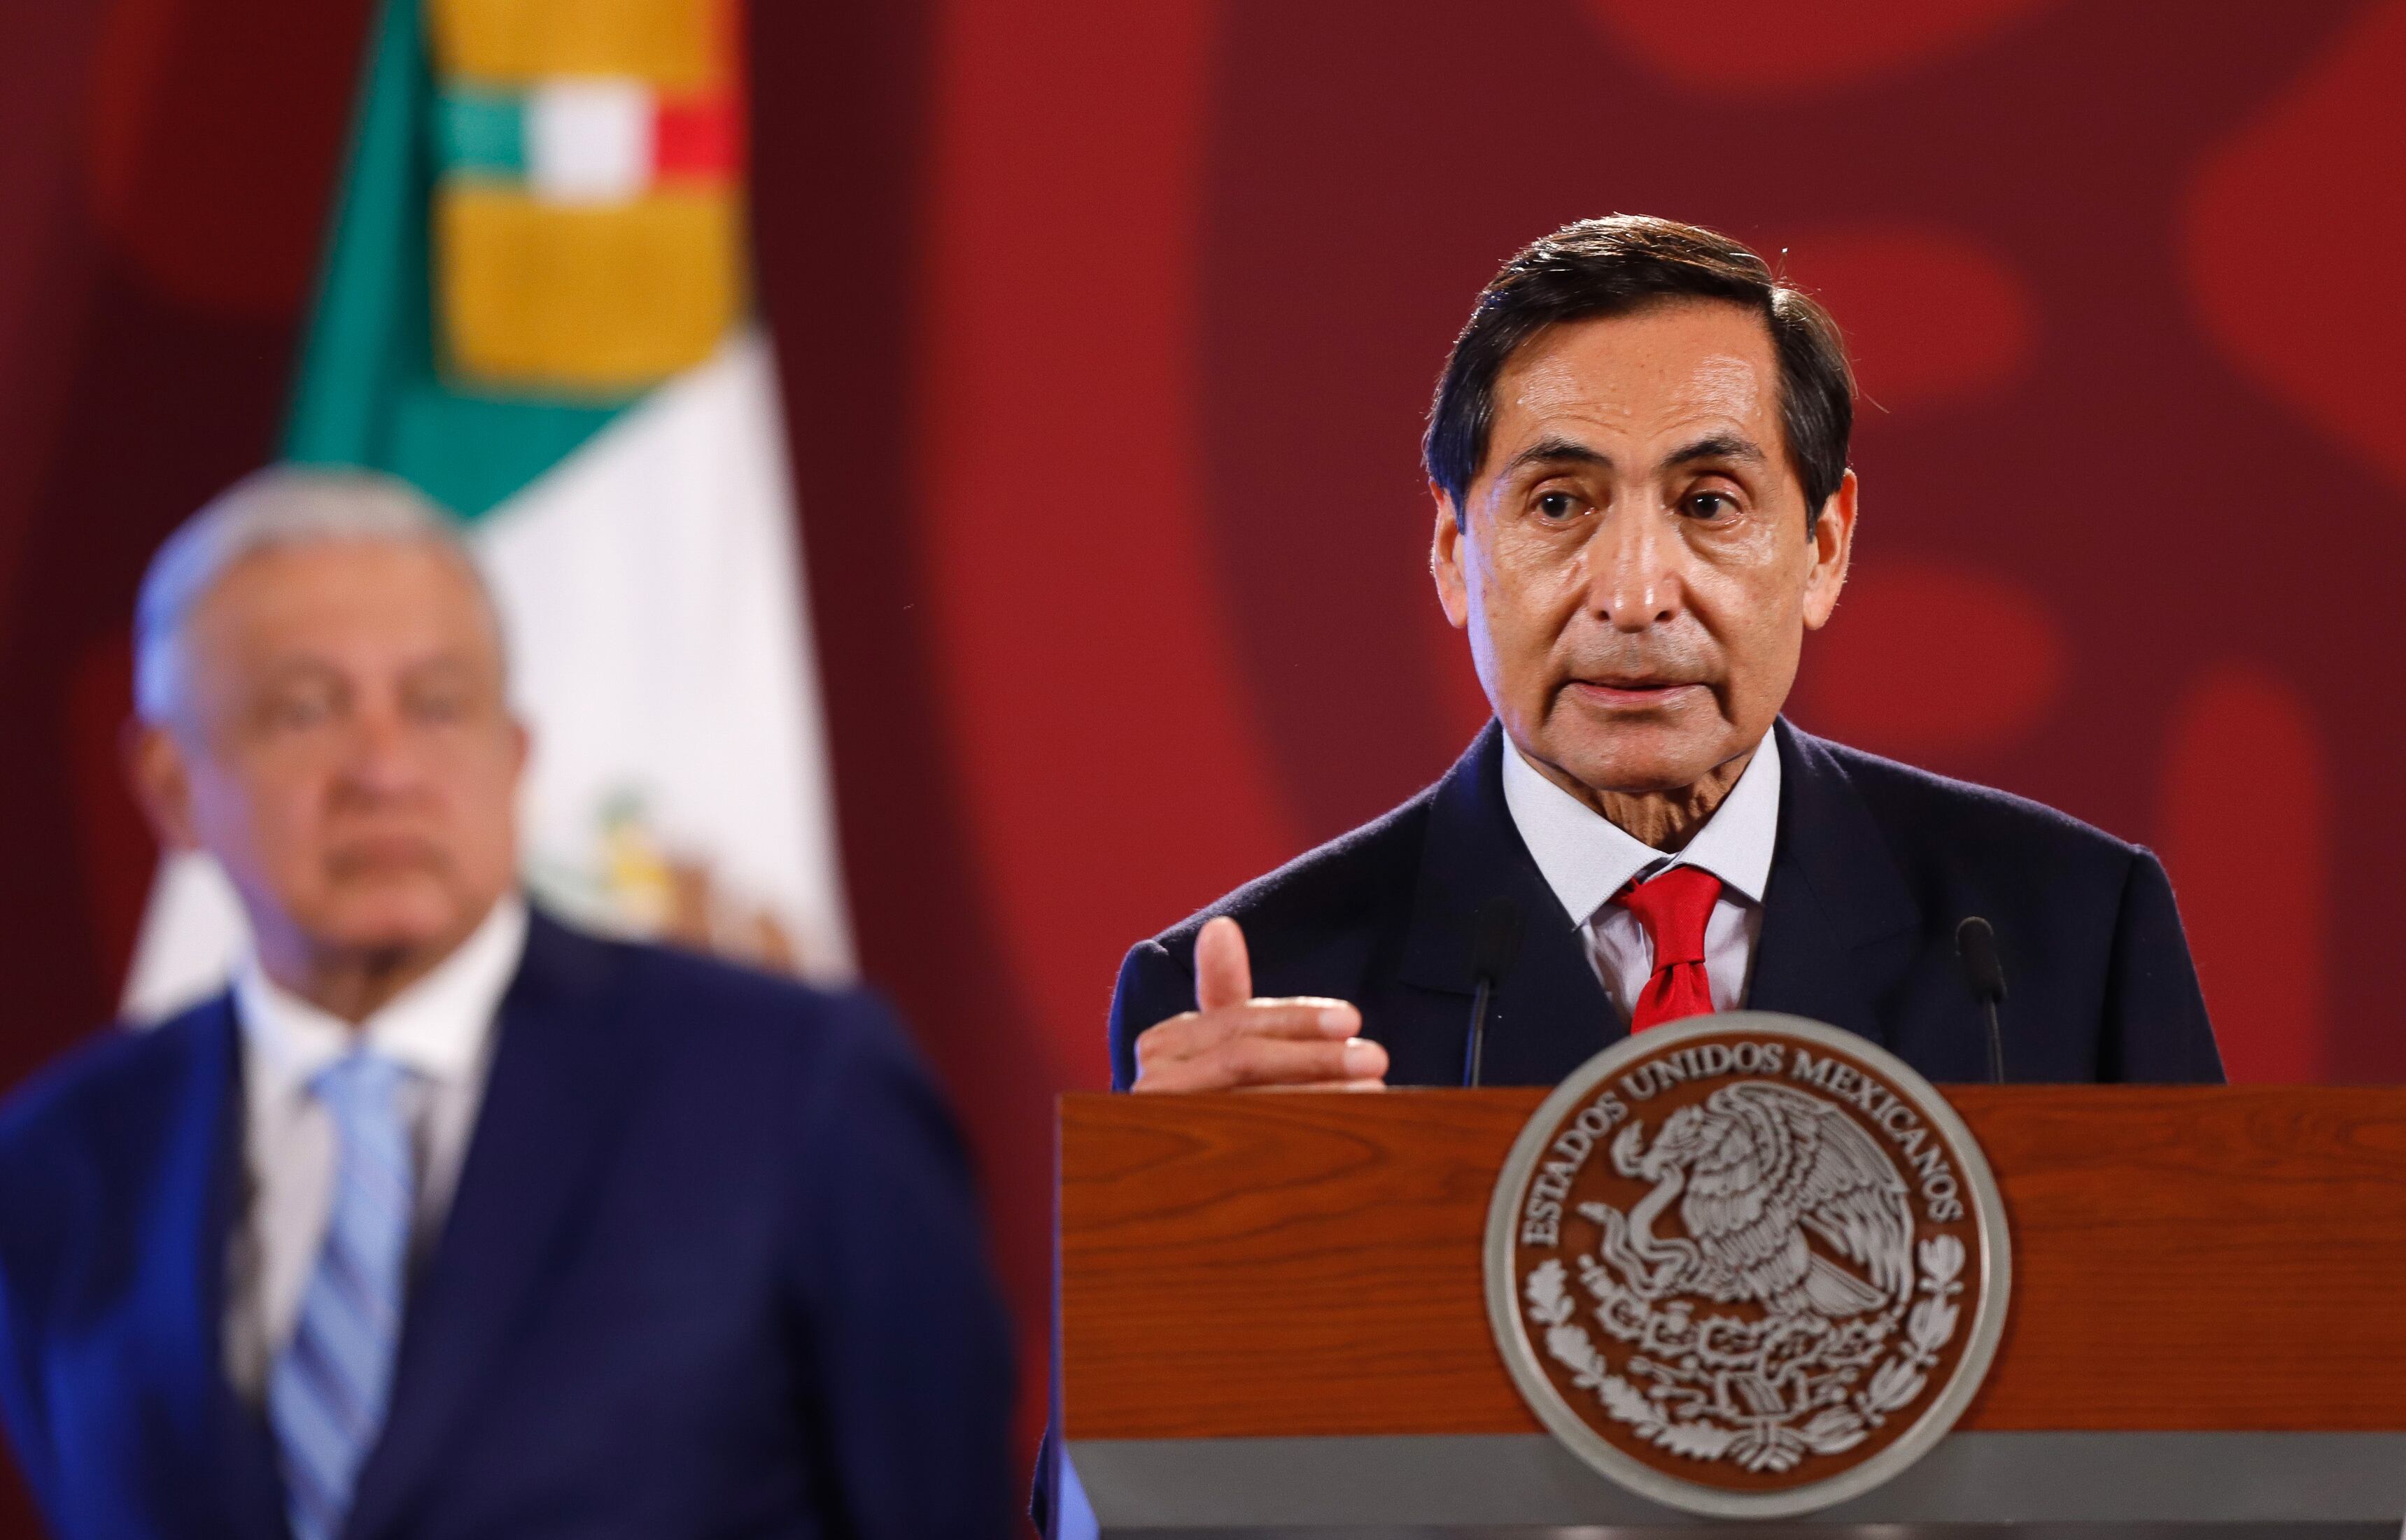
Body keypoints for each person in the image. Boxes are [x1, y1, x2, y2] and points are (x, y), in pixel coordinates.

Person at [0, 469, 1015, 1539]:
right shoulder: (62, 1163)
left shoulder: (794, 1083)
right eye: (306, 707)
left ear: (513, 753)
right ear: (172, 785)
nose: (385, 768)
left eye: (438, 704)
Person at [1115, 216, 2222, 1094]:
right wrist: (1187, 1232)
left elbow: (2215, 1364)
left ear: (1823, 549)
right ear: (1455, 555)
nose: (1637, 596)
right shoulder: (1262, 1007)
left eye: (1707, 501)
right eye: (1558, 502)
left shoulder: (2066, 938)